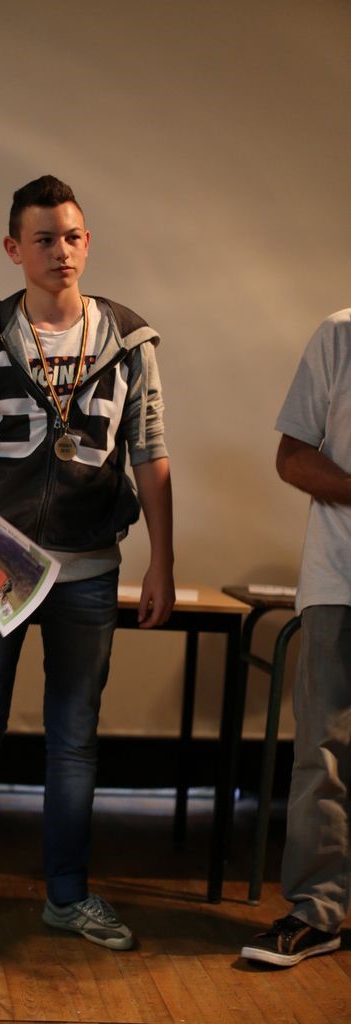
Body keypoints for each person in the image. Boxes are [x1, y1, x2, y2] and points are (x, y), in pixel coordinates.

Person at [0, 175, 174, 950]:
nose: (62, 251)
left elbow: (150, 454)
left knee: (74, 739)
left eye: (73, 236)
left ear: (87, 242)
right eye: (45, 238)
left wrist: (161, 561)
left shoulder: (129, 340)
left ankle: (68, 895)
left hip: (88, 567)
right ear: (13, 248)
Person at [240, 309, 351, 968]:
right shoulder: (340, 333)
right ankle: (317, 911)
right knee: (322, 752)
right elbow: (292, 457)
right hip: (340, 577)